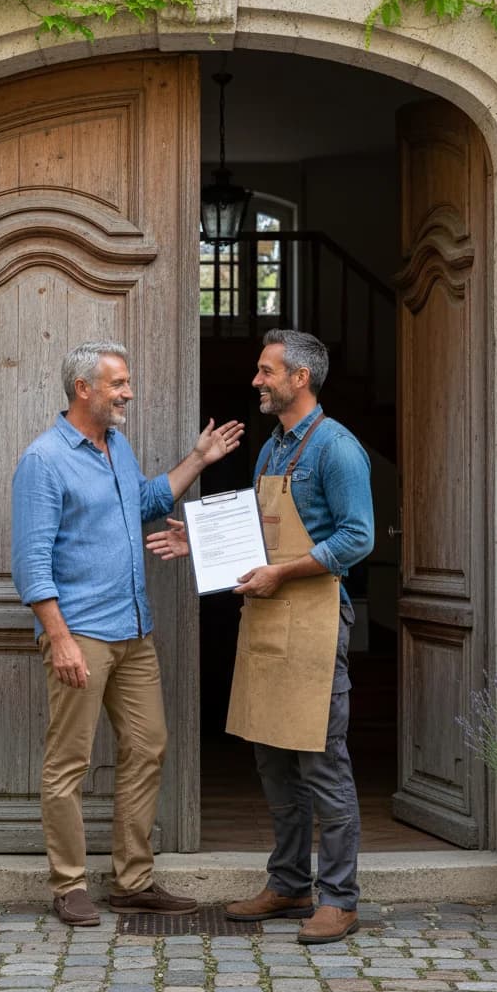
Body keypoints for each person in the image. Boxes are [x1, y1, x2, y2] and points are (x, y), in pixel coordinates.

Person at [147, 329, 373, 944]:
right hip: (269, 616)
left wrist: (283, 572)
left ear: (301, 378)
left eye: (267, 371)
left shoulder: (338, 450)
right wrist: (203, 543)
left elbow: (357, 539)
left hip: (316, 618)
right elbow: (255, 526)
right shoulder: (274, 449)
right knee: (274, 760)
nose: (256, 381)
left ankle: (340, 898)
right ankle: (289, 883)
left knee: (322, 761)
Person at [12, 339, 244, 927]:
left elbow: (144, 501)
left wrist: (198, 458)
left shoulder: (116, 444)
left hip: (135, 630)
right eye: (118, 384)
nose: (129, 394)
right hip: (82, 632)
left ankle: (133, 881)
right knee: (69, 762)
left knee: (148, 747)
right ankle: (67, 885)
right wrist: (59, 638)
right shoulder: (44, 460)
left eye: (128, 382)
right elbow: (30, 562)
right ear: (83, 388)